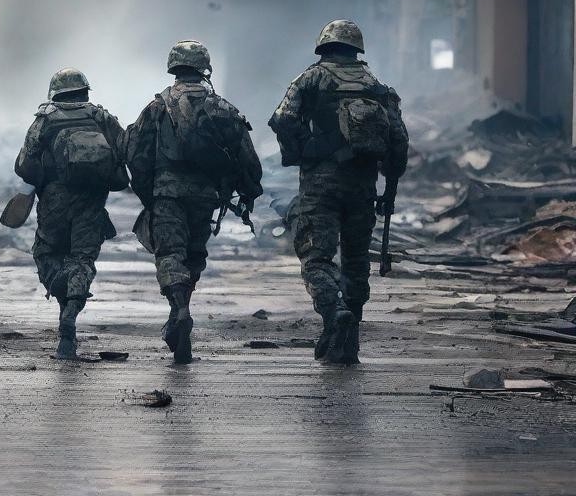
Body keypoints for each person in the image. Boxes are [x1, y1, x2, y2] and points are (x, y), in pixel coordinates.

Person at [268, 19, 409, 366]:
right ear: (356, 48)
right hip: (363, 186)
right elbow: (399, 140)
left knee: (316, 258)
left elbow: (282, 118)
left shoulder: (311, 78)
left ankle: (334, 314)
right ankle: (350, 340)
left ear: (324, 47)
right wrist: (390, 186)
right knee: (357, 261)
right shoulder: (377, 86)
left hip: (320, 185)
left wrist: (304, 150)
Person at [126, 40, 262, 364]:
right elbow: (247, 156)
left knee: (170, 254)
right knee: (193, 254)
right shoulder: (222, 107)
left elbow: (135, 153)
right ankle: (181, 309)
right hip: (205, 196)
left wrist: (149, 192)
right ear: (205, 68)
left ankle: (178, 307)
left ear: (174, 67)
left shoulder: (157, 107)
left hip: (167, 194)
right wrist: (248, 191)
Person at [14, 68, 129, 360]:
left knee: (46, 252)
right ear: (85, 90)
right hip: (92, 202)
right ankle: (70, 316)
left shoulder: (45, 120)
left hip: (54, 201)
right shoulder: (101, 117)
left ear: (55, 92)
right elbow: (128, 149)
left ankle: (62, 293)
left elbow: (25, 165)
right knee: (82, 259)